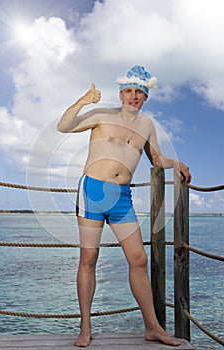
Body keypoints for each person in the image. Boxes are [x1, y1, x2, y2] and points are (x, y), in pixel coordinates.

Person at [57, 65, 191, 347]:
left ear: (145, 97)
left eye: (138, 92)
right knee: (88, 259)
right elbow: (64, 125)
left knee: (139, 260)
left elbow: (155, 159)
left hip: (121, 197)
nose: (133, 96)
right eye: (128, 91)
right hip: (92, 190)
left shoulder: (147, 125)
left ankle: (152, 327)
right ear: (121, 93)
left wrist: (176, 163)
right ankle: (85, 326)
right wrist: (84, 100)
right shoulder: (102, 114)